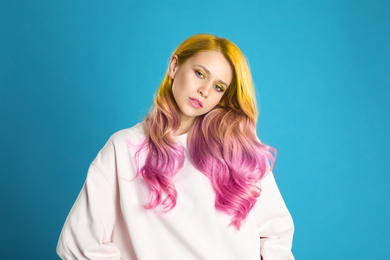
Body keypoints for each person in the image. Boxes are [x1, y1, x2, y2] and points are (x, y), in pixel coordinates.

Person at [56, 33, 294, 260]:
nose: (205, 90)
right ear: (174, 66)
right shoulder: (124, 148)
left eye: (219, 87)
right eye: (200, 73)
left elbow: (276, 235)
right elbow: (80, 243)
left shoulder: (238, 151)